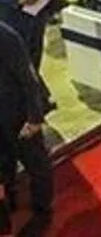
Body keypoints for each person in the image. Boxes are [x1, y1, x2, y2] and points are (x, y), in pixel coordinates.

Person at [0, 21, 52, 236]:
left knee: (36, 164)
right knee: (4, 162)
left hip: (19, 115)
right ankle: (9, 199)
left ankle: (42, 209)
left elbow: (29, 80)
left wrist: (34, 118)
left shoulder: (6, 37)